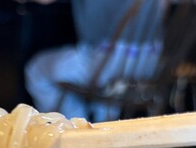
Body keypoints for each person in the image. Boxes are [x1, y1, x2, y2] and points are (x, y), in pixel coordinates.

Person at [24, 0, 164, 123]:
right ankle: (97, 124)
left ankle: (75, 131)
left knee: (37, 71)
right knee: (103, 85)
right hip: (151, 62)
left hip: (107, 61)